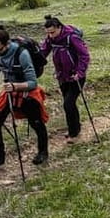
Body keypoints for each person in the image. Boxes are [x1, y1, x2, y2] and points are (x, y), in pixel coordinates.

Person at [0, 26, 49, 169]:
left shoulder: (22, 54)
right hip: (9, 91)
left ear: (7, 43)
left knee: (36, 123)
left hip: (27, 92)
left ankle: (43, 152)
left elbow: (33, 82)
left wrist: (16, 86)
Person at [39, 15, 90, 143]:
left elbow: (84, 55)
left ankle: (73, 133)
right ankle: (75, 128)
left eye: (52, 32)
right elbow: (43, 52)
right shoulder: (51, 39)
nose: (50, 35)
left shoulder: (71, 37)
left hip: (76, 77)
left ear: (59, 27)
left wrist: (80, 72)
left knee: (68, 104)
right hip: (62, 76)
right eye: (48, 33)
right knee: (69, 104)